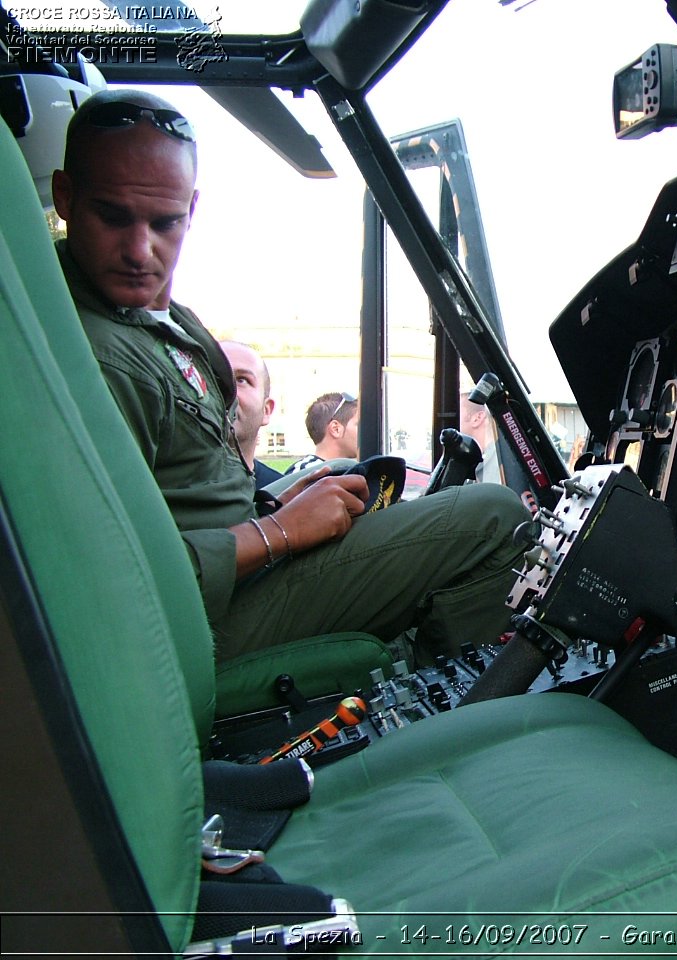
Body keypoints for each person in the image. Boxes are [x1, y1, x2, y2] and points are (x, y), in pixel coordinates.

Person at [52, 88, 529, 663]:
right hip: (197, 625)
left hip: (236, 577)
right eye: (113, 216)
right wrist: (277, 533)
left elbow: (187, 492)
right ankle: (450, 714)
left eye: (165, 222)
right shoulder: (93, 354)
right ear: (65, 197)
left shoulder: (159, 320)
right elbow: (109, 577)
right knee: (494, 519)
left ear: (192, 209)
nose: (139, 249)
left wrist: (273, 507)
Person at [219, 339, 283, 489]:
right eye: (213, 377)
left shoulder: (286, 496)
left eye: (242, 380)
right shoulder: (159, 490)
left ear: (266, 410)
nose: (225, 390)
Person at [284, 391, 359, 475]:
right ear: (335, 429)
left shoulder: (355, 471)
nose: (365, 431)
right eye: (359, 424)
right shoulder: (303, 473)